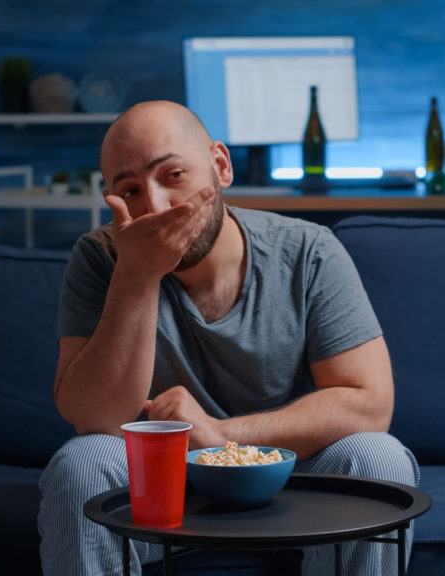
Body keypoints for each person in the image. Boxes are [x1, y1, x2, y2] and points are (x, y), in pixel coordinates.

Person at [38, 100, 419, 575]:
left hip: (290, 484)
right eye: (130, 190)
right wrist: (137, 276)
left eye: (172, 175)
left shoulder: (308, 250)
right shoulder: (102, 259)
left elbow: (369, 402)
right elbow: (92, 416)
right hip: (165, 491)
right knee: (82, 463)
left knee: (377, 456)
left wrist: (221, 438)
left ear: (220, 166)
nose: (155, 209)